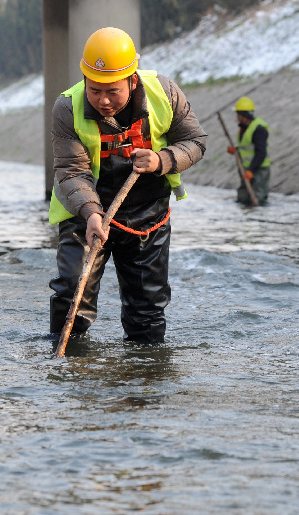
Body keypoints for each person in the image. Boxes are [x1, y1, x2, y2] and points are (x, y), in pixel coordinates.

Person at [48, 26, 207, 343]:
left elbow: (195, 141)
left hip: (148, 214)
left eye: (112, 91)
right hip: (86, 215)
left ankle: (143, 378)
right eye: (94, 91)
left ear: (132, 80)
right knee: (71, 296)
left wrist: (162, 160)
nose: (103, 101)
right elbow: (71, 171)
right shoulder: (67, 108)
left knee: (146, 313)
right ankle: (70, 375)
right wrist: (92, 214)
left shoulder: (165, 93)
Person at [226, 96, 270, 205]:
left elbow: (261, 153)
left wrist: (252, 170)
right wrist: (236, 150)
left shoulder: (259, 129)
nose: (237, 117)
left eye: (238, 114)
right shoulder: (244, 128)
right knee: (243, 199)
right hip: (246, 170)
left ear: (244, 115)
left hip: (258, 170)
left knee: (257, 200)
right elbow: (247, 147)